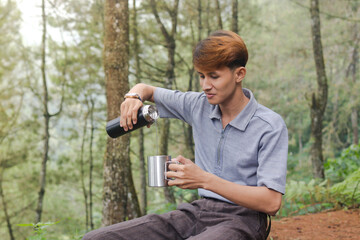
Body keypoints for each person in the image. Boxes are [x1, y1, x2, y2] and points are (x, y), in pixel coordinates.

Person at [83, 30, 288, 240]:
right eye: (201, 76)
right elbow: (146, 89)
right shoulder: (198, 105)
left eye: (214, 76)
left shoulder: (269, 126)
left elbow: (271, 202)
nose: (205, 85)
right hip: (197, 212)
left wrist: (204, 180)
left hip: (244, 219)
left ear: (239, 74)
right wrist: (133, 96)